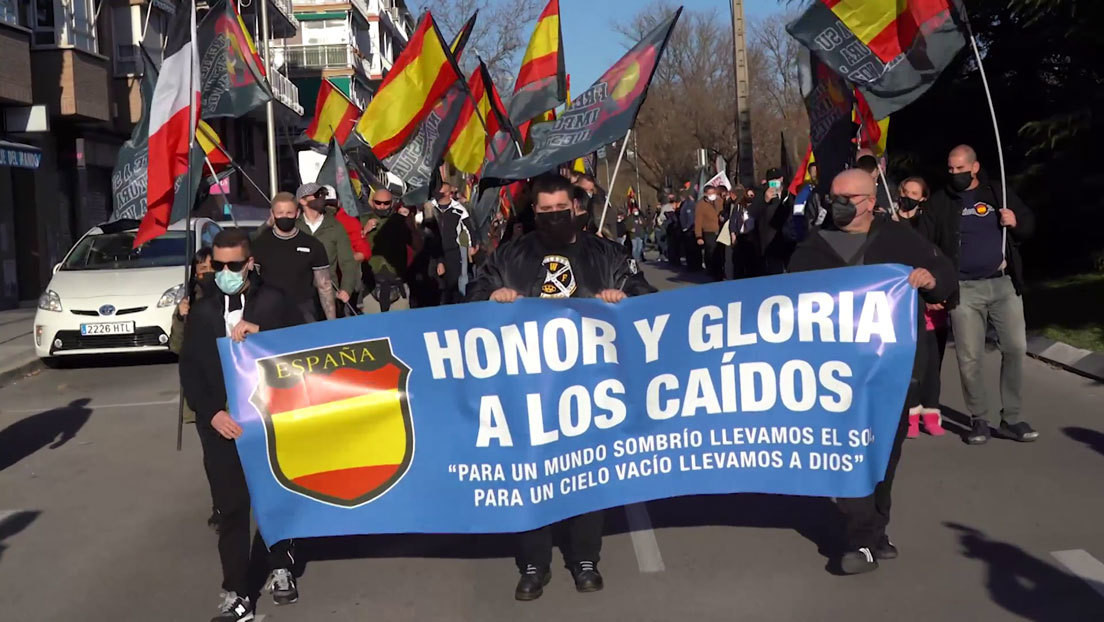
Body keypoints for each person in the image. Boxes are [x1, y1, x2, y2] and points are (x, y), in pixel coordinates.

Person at [467, 173, 656, 601]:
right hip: (528, 387)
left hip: (591, 387)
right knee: (531, 473)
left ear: (576, 209)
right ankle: (534, 563)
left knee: (587, 472)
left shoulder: (608, 253)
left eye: (560, 210)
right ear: (534, 211)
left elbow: (647, 298)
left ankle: (585, 557)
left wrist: (623, 298)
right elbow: (472, 300)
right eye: (544, 211)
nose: (553, 218)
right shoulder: (509, 255)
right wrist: (492, 298)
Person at [789, 169, 956, 575]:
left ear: (869, 201)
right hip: (834, 377)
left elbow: (945, 277)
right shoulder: (811, 248)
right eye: (833, 196)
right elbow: (787, 301)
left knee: (884, 454)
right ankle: (860, 541)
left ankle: (877, 529)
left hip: (891, 372)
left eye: (847, 197)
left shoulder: (899, 239)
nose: (838, 204)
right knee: (849, 453)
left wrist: (929, 280)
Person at [179, 229, 301, 622]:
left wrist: (262, 334)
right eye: (218, 265)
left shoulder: (274, 301)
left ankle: (280, 563)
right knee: (231, 509)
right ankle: (236, 591)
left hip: (270, 420)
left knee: (273, 499)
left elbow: (305, 349)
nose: (225, 272)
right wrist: (212, 411)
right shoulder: (202, 310)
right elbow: (191, 370)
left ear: (250, 263)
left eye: (234, 265)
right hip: (222, 425)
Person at [919, 144, 1037, 444]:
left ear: (974, 167)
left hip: (1003, 284)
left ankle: (1011, 418)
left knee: (1014, 348)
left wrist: (1016, 223)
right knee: (969, 358)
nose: (955, 173)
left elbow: (1028, 226)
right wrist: (937, 284)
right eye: (951, 168)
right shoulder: (940, 202)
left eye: (960, 168)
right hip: (964, 289)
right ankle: (979, 419)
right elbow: (925, 244)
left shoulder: (998, 193)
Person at [895, 177, 947, 438]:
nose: (909, 197)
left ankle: (932, 411)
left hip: (929, 304)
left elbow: (940, 259)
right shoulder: (888, 223)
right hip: (902, 306)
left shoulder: (928, 225)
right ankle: (911, 415)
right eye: (906, 192)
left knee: (932, 363)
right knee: (912, 364)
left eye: (915, 193)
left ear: (923, 198)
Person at [251, 192, 337, 322]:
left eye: (289, 213)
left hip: (304, 312)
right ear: (272, 214)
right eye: (280, 213)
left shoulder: (312, 244)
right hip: (270, 313)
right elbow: (253, 284)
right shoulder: (260, 244)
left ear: (297, 213)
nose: (284, 217)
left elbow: (324, 285)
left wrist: (332, 321)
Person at [295, 183, 359, 315]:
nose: (321, 198)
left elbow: (347, 262)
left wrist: (346, 289)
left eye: (323, 195)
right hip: (299, 297)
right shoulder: (294, 227)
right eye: (317, 195)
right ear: (302, 200)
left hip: (330, 295)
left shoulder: (335, 227)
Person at [361, 188, 418, 313]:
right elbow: (352, 249)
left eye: (386, 203)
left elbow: (417, 245)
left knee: (400, 327)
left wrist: (410, 224)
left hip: (397, 282)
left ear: (392, 203)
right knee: (373, 328)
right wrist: (364, 231)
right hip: (371, 284)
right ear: (372, 202)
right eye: (378, 202)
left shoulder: (400, 220)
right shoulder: (363, 220)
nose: (382, 206)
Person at [432, 182, 476, 304]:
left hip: (452, 252)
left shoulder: (459, 209)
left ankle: (454, 310)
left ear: (448, 194)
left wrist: (472, 245)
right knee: (436, 285)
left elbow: (469, 228)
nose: (438, 195)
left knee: (453, 286)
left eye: (441, 192)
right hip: (434, 252)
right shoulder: (431, 207)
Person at [750, 167, 797, 274]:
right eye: (771, 180)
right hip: (769, 243)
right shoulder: (761, 194)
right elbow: (753, 213)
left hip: (788, 241)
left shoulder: (789, 194)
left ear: (782, 179)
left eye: (777, 179)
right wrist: (765, 200)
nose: (774, 182)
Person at [695, 184, 723, 280]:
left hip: (720, 230)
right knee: (711, 251)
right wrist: (698, 236)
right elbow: (698, 221)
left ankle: (719, 270)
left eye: (714, 193)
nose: (712, 195)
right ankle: (711, 270)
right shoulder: (701, 204)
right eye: (710, 193)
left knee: (719, 251)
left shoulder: (719, 201)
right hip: (709, 232)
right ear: (706, 194)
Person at [678, 191, 700, 270]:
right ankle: (693, 265)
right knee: (691, 249)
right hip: (689, 230)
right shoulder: (685, 204)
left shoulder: (689, 204)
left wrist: (686, 228)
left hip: (690, 230)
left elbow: (690, 217)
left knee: (691, 249)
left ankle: (693, 265)